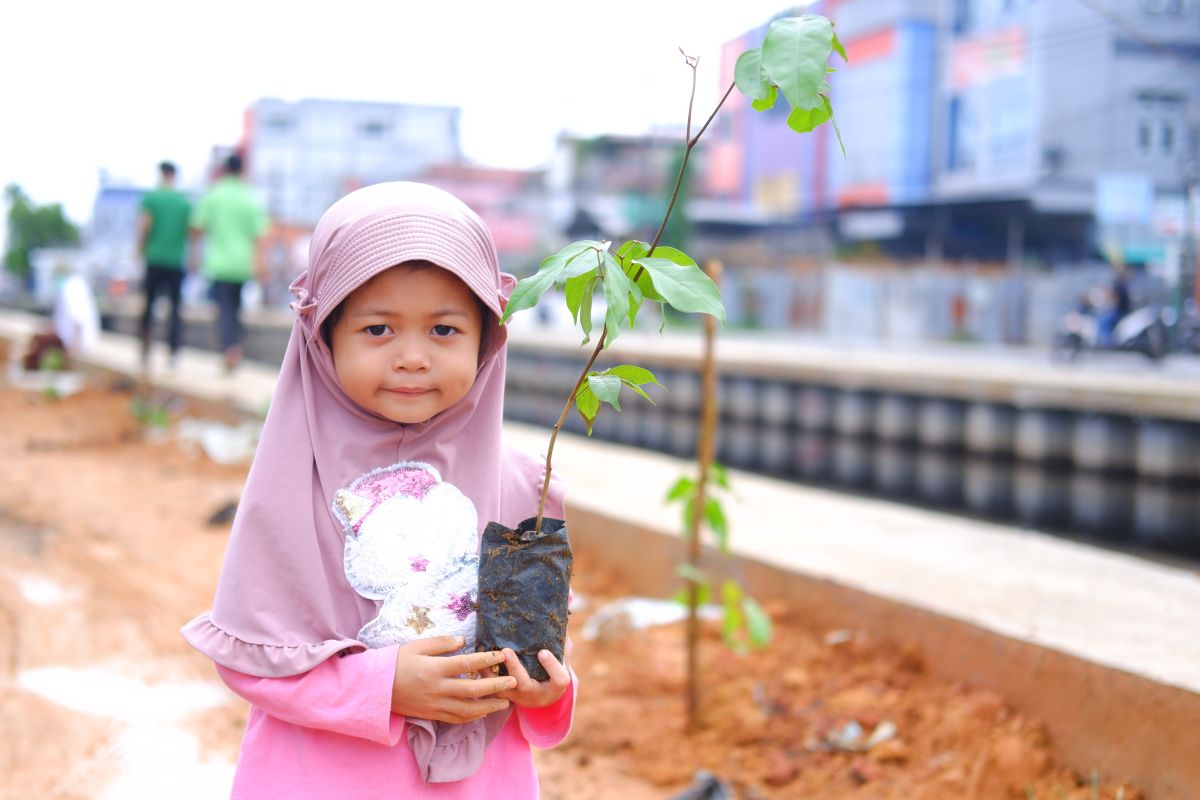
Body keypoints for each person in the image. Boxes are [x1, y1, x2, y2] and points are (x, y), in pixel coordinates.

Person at [181, 182, 575, 798]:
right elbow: (253, 655)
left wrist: (547, 689)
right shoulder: (294, 479)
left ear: (487, 338)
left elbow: (539, 665)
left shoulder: (523, 480)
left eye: (444, 330)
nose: (412, 357)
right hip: (321, 777)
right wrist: (380, 685)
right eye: (378, 330)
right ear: (324, 336)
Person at [190, 152, 268, 373]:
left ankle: (229, 349)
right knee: (236, 309)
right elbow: (260, 235)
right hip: (242, 265)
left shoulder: (214, 194)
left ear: (224, 169)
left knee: (223, 309)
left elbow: (197, 226)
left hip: (219, 264)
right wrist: (261, 264)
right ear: (242, 170)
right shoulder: (250, 197)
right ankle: (235, 348)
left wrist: (193, 254)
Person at [137, 160, 192, 368]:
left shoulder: (152, 198)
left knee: (149, 304)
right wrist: (192, 255)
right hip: (176, 260)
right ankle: (173, 352)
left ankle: (145, 346)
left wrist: (140, 248)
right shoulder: (182, 202)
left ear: (161, 174)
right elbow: (190, 231)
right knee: (175, 308)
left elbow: (145, 225)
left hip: (154, 258)